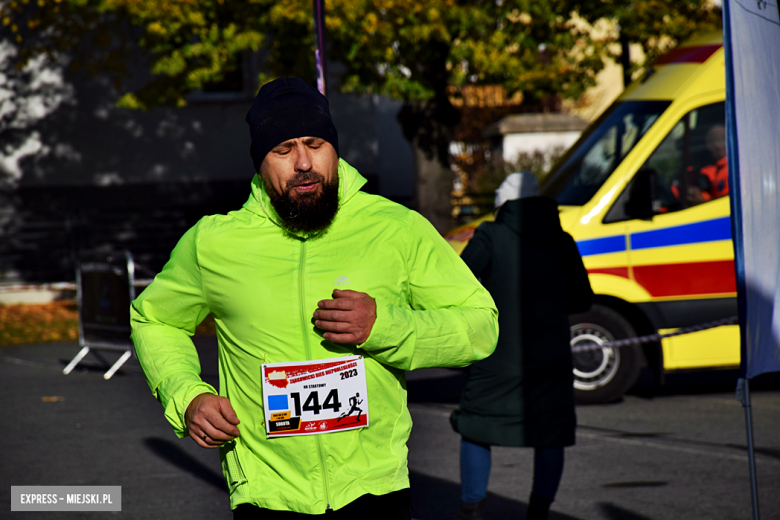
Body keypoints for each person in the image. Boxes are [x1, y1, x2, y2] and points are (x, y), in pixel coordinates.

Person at [129, 77, 498, 519]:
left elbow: (480, 325)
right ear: (260, 163)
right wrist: (187, 395)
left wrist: (384, 326)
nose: (304, 162)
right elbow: (155, 319)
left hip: (374, 491)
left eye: (315, 143)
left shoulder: (396, 228)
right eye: (283, 150)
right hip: (267, 496)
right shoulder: (213, 243)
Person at [449, 172, 594, 520]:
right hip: (550, 354)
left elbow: (457, 282)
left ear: (504, 206)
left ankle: (472, 509)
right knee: (550, 430)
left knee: (477, 424)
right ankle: (539, 511)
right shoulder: (563, 240)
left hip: (497, 353)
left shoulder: (490, 235)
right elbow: (582, 298)